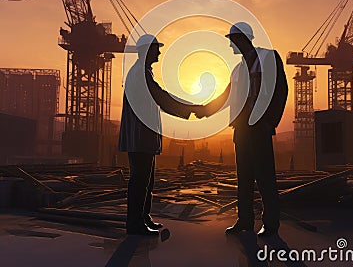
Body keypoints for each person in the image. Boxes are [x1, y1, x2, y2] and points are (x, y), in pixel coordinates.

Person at [196, 22, 288, 237]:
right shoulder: (238, 69)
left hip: (259, 128)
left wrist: (269, 123)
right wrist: (203, 110)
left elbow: (281, 90)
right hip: (242, 129)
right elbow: (226, 97)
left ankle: (270, 223)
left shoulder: (268, 58)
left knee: (265, 177)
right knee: (244, 177)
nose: (230, 46)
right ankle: (245, 220)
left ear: (242, 39)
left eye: (232, 41)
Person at [119, 34, 194, 236]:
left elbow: (159, 96)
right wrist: (190, 109)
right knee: (140, 181)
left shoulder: (141, 72)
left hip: (141, 137)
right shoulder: (141, 74)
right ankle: (135, 223)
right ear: (147, 51)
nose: (159, 53)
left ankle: (143, 217)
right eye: (156, 49)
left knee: (146, 180)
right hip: (140, 137)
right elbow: (161, 97)